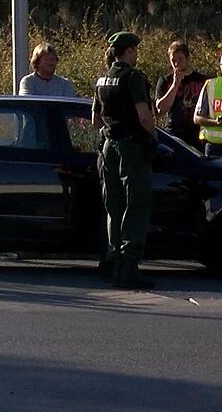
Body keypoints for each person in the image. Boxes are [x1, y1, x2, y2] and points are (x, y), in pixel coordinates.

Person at [92, 31, 157, 289]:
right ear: (128, 51)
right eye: (135, 50)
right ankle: (129, 265)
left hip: (108, 146)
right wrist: (153, 137)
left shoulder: (102, 79)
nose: (137, 54)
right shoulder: (133, 77)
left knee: (114, 205)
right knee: (136, 204)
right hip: (131, 147)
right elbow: (144, 115)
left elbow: (95, 119)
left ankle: (113, 259)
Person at [154, 41, 209, 148]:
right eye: (173, 60)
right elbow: (160, 109)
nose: (176, 63)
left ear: (187, 58)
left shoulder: (202, 80)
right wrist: (175, 85)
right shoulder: (165, 80)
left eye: (180, 59)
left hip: (196, 134)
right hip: (174, 132)